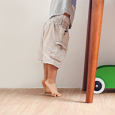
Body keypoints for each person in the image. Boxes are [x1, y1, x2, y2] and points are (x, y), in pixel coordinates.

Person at [38, 0, 77, 97]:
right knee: (55, 51)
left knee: (49, 51)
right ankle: (51, 80)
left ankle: (46, 78)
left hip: (52, 21)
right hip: (60, 21)